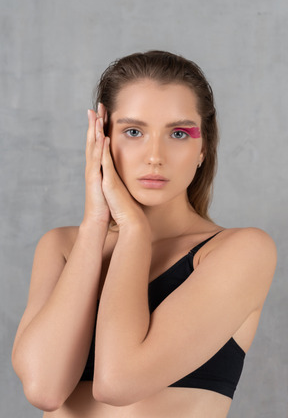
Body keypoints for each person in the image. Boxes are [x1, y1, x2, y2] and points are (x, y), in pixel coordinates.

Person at [12, 50, 277, 418]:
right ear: (101, 139)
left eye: (179, 133)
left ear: (203, 148)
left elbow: (118, 382)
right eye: (133, 131)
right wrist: (94, 225)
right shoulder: (61, 246)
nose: (155, 155)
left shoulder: (240, 250)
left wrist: (134, 230)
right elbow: (43, 388)